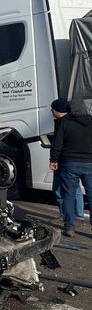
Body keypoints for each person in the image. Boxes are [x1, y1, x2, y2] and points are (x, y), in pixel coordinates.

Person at [49, 98, 92, 237]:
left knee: (68, 195)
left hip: (69, 164)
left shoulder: (65, 122)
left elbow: (57, 143)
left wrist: (53, 160)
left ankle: (69, 227)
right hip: (89, 163)